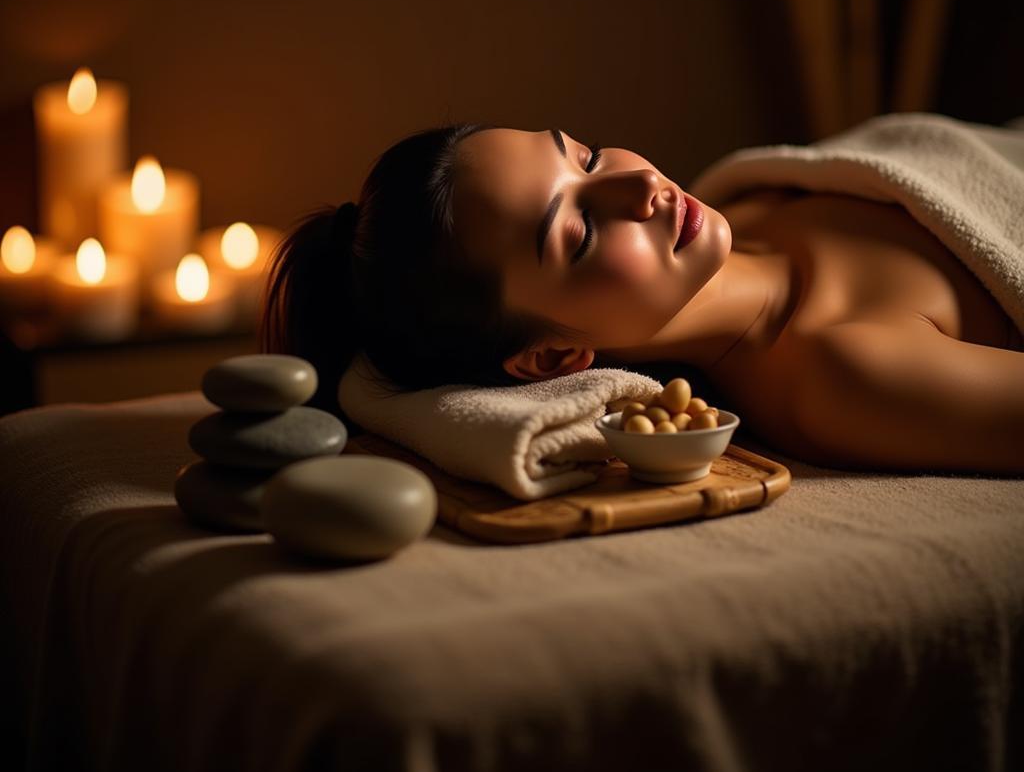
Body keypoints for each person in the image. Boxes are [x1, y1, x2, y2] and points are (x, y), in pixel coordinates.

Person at [260, 123, 1024, 475]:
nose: (642, 186)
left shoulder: (753, 196)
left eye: (585, 157)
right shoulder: (846, 371)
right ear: (555, 354)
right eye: (582, 228)